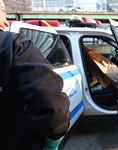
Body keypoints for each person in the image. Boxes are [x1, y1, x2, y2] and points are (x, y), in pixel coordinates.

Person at [0, 1, 70, 150]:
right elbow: (52, 106)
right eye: (2, 11)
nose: (6, 22)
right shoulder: (14, 45)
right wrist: (53, 140)